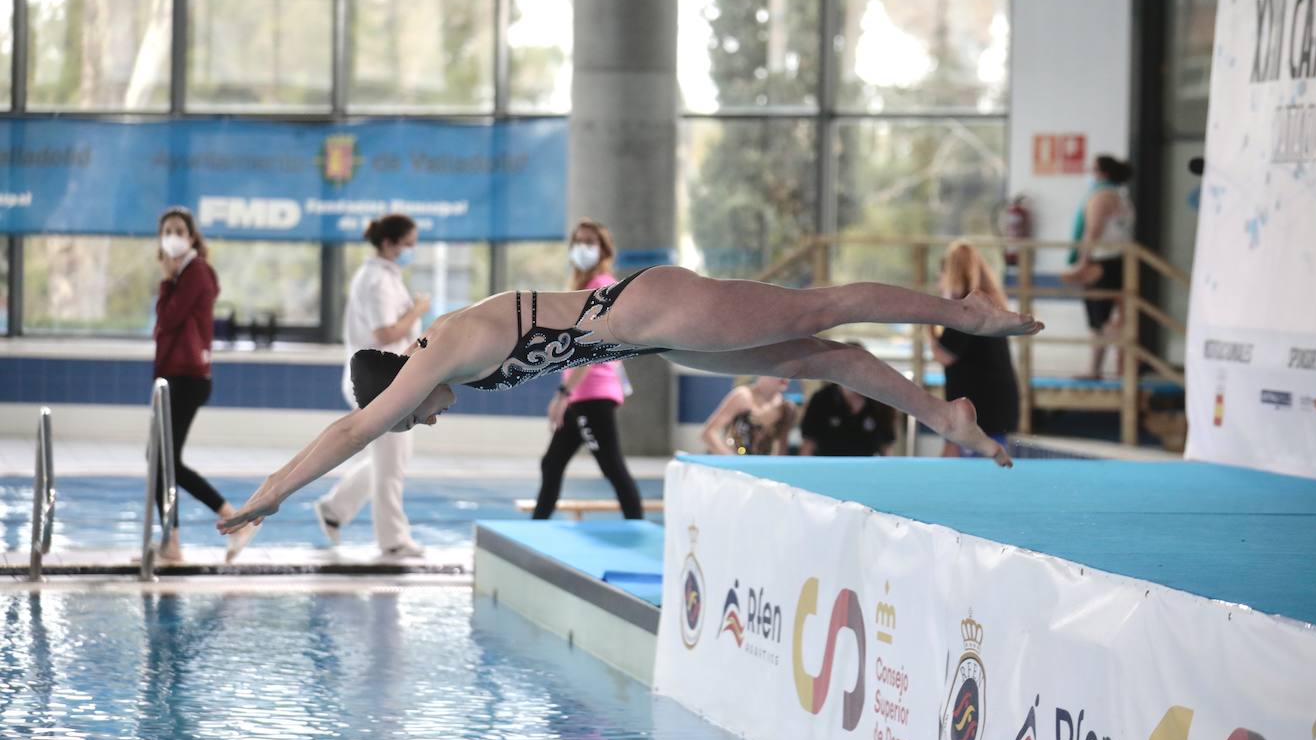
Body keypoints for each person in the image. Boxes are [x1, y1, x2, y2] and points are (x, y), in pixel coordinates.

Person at [219, 266, 1044, 538]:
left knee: (820, 314)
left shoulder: (445, 348)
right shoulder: (447, 364)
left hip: (655, 310)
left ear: (402, 390)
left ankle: (966, 314)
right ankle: (945, 418)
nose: (425, 420)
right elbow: (363, 419)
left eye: (414, 414)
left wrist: (269, 495)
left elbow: (353, 427)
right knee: (831, 359)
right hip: (645, 336)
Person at [310, 214, 430, 559]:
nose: (412, 250)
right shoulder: (377, 280)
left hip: (389, 379)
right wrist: (419, 310)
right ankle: (393, 538)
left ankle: (335, 508)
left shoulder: (387, 277)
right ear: (389, 243)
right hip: (377, 382)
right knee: (392, 461)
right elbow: (384, 333)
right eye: (408, 244)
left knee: (392, 456)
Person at [534, 220, 645, 519]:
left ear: (603, 249)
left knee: (611, 466)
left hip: (592, 393)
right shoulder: (583, 286)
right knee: (552, 463)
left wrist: (564, 393)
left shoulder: (600, 285)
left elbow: (591, 348)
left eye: (590, 242)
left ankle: (636, 525)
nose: (583, 248)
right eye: (578, 241)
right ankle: (537, 527)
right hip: (581, 394)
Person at [152, 207, 234, 561]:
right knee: (161, 459)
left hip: (186, 377)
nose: (172, 235)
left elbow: (169, 320)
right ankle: (174, 541)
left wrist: (167, 280)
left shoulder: (195, 272)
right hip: (175, 376)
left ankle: (227, 517)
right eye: (166, 229)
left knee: (162, 460)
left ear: (191, 237)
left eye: (178, 230)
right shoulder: (184, 274)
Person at [929, 242, 1020, 457]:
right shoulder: (988, 302)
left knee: (958, 464)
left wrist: (929, 327)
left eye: (941, 275)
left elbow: (944, 355)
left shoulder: (967, 309)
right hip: (995, 402)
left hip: (980, 407)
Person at [1062, 154, 1136, 379]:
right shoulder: (1121, 196)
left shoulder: (1101, 196)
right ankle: (1100, 368)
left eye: (1092, 169)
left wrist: (1082, 262)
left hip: (1102, 261)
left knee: (1099, 320)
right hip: (1118, 260)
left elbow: (1092, 231)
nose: (1089, 174)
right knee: (1102, 319)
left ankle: (1129, 358)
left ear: (1103, 173)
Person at [799, 343, 896, 457]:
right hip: (828, 468)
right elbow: (808, 444)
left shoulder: (880, 402)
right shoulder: (821, 399)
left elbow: (886, 447)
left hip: (867, 469)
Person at [702, 376, 796, 456]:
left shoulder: (786, 408)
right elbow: (708, 433)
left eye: (789, 371)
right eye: (779, 371)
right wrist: (731, 461)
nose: (785, 376)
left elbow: (782, 451)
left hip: (759, 469)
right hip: (731, 463)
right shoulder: (743, 396)